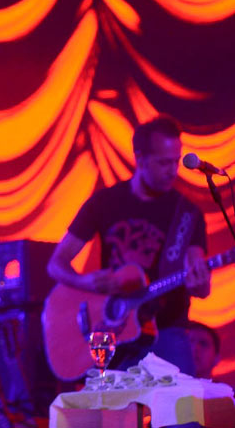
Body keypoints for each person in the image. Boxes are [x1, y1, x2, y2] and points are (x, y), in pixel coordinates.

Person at [47, 116, 211, 375]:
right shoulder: (105, 202)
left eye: (175, 161)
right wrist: (86, 283)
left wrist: (199, 282)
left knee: (184, 415)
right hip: (110, 326)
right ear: (140, 158)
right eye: (163, 162)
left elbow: (200, 285)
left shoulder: (188, 214)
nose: (172, 170)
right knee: (108, 412)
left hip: (167, 330)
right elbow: (56, 264)